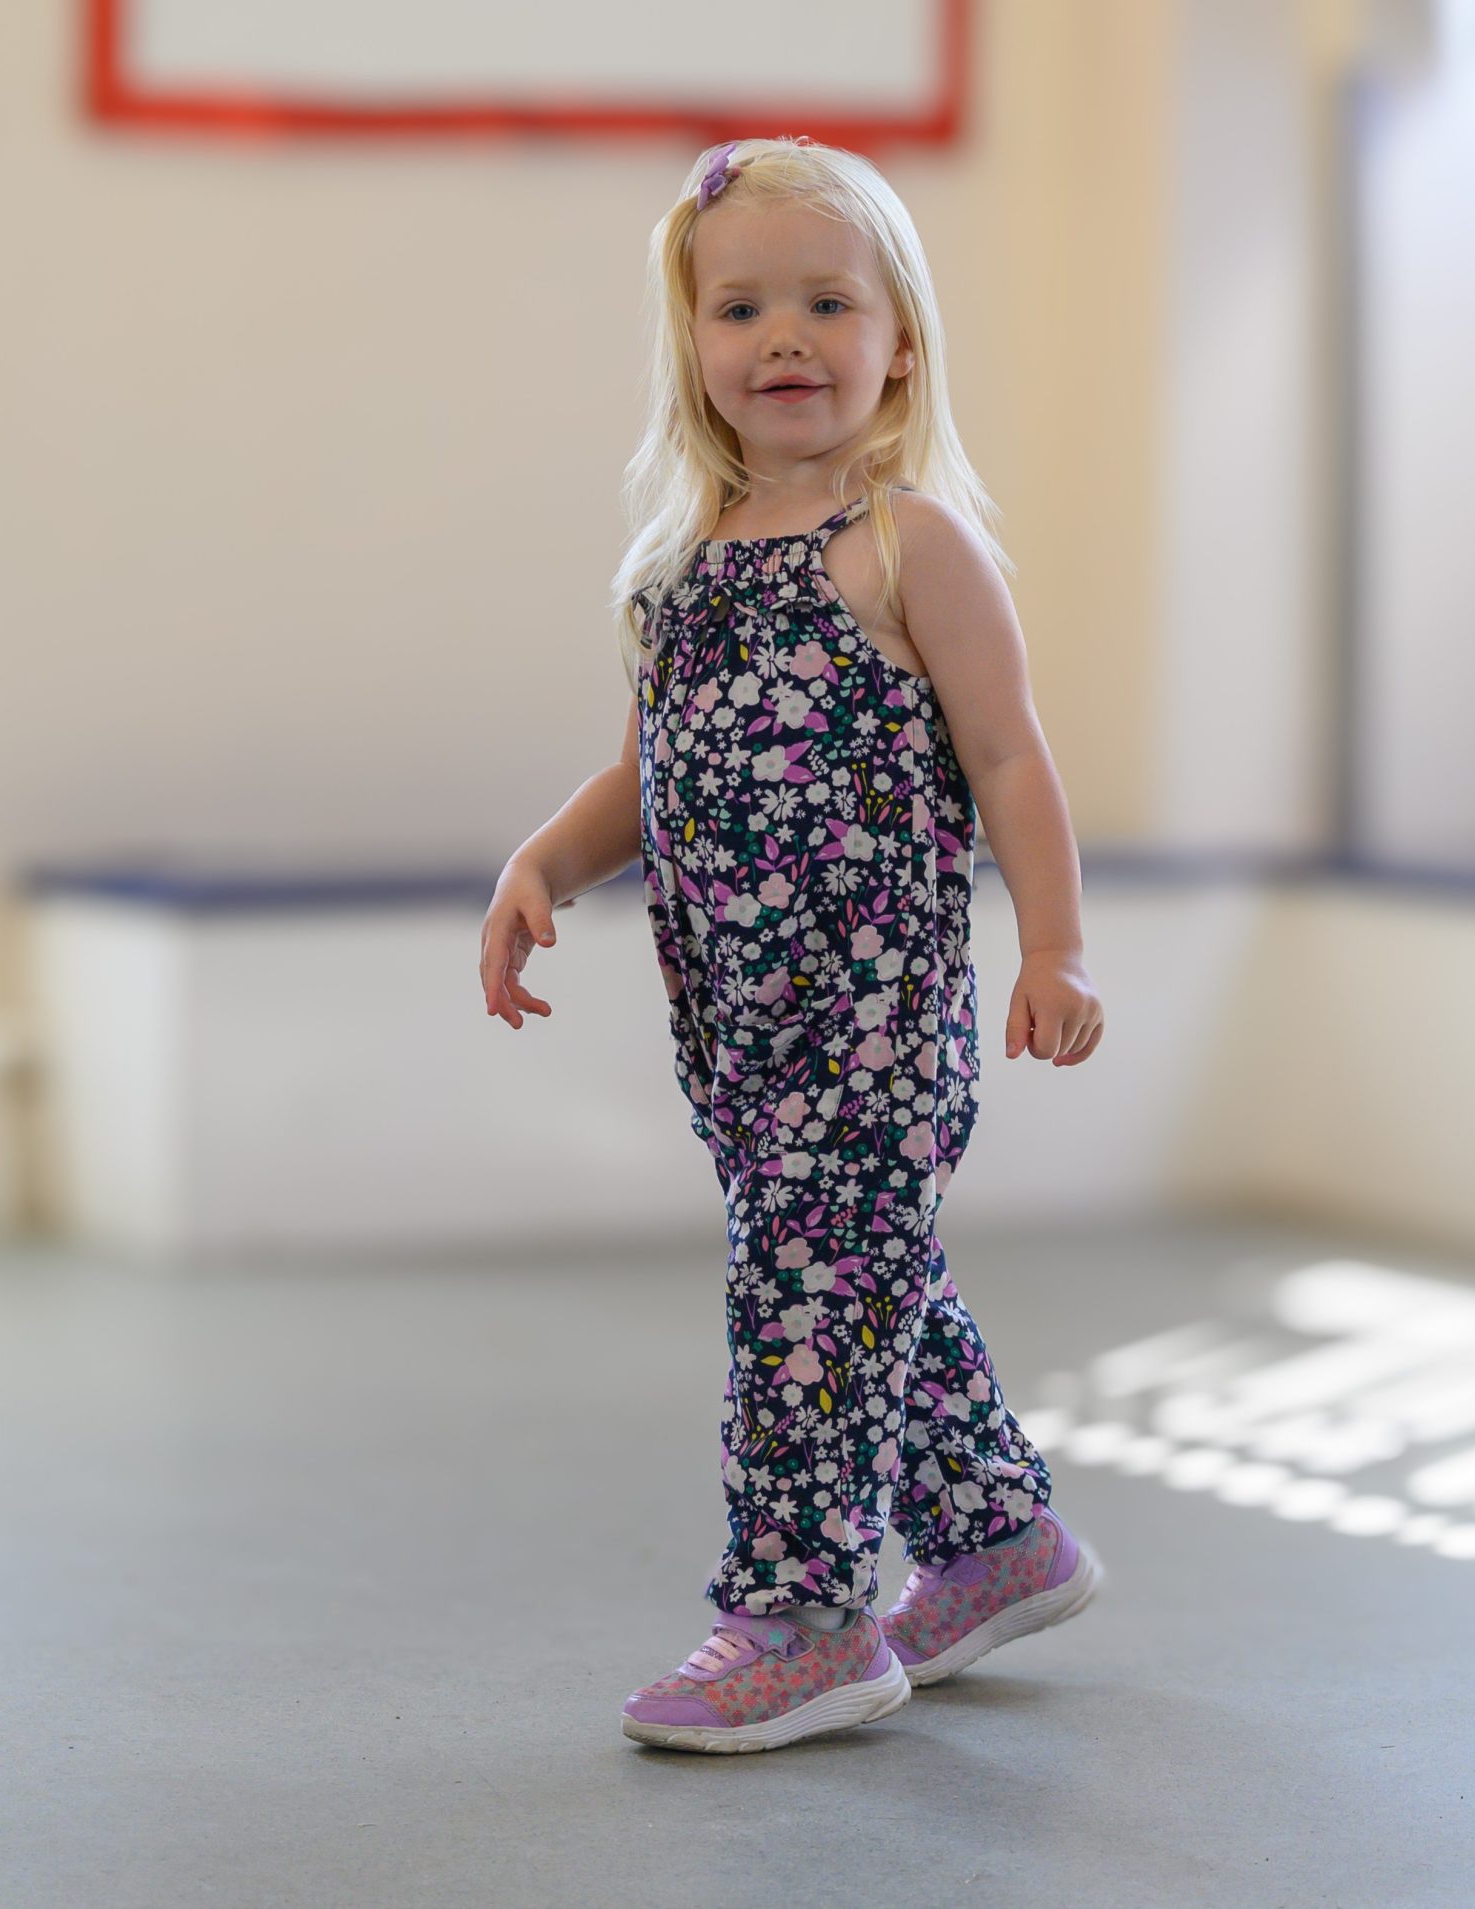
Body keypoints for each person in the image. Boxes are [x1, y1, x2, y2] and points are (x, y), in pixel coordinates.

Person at [478, 138, 1106, 1753]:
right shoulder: (678, 567)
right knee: (861, 1276)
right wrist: (546, 860)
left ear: (899, 341)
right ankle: (996, 1539)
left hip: (875, 1026)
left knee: (806, 1303)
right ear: (692, 341)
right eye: (742, 306)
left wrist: (1054, 946)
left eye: (829, 303)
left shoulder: (907, 545)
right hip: (741, 1038)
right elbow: (643, 775)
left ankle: (806, 1619)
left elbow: (1011, 758)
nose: (786, 338)